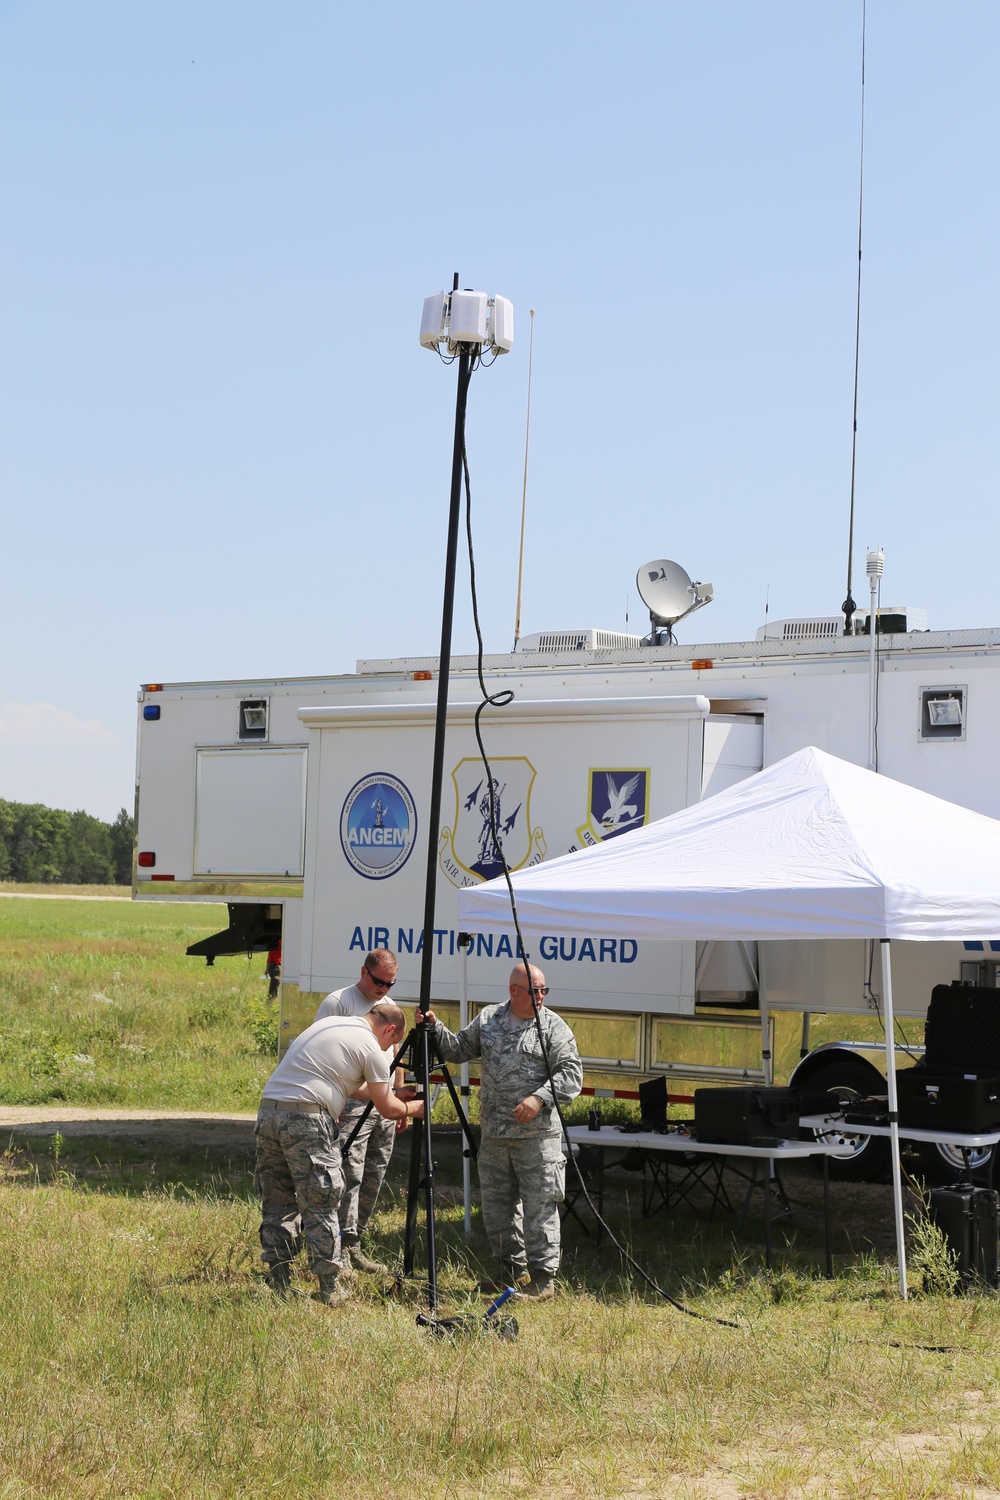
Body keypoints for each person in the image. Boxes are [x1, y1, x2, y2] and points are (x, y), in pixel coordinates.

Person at [423, 961, 582, 1301]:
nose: (540, 997)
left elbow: (571, 1075)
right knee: (497, 1209)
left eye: (543, 990)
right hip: (495, 1138)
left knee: (540, 1209)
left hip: (537, 1140)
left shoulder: (553, 1027)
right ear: (513, 991)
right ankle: (512, 1271)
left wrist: (538, 1099)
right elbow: (457, 1049)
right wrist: (435, 1029)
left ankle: (543, 1279)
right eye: (533, 990)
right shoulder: (489, 1019)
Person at [254, 999, 422, 1305]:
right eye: (393, 1043)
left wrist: (393, 1092)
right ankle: (330, 1288)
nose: (389, 1050)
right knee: (322, 1200)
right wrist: (414, 1107)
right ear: (391, 1029)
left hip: (269, 1113)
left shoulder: (330, 1026)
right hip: (306, 1119)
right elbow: (386, 1109)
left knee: (278, 1199)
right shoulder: (372, 1046)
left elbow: (349, 1085)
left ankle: (279, 1282)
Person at [315, 950, 411, 1273]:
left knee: (375, 1170)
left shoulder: (388, 1007)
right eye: (379, 981)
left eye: (390, 983)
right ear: (363, 972)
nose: (383, 988)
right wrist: (332, 1103)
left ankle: (355, 1244)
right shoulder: (338, 1003)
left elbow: (394, 1053)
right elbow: (323, 1054)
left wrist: (398, 1097)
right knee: (349, 1173)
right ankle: (339, 1246)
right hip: (353, 1099)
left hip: (383, 1099)